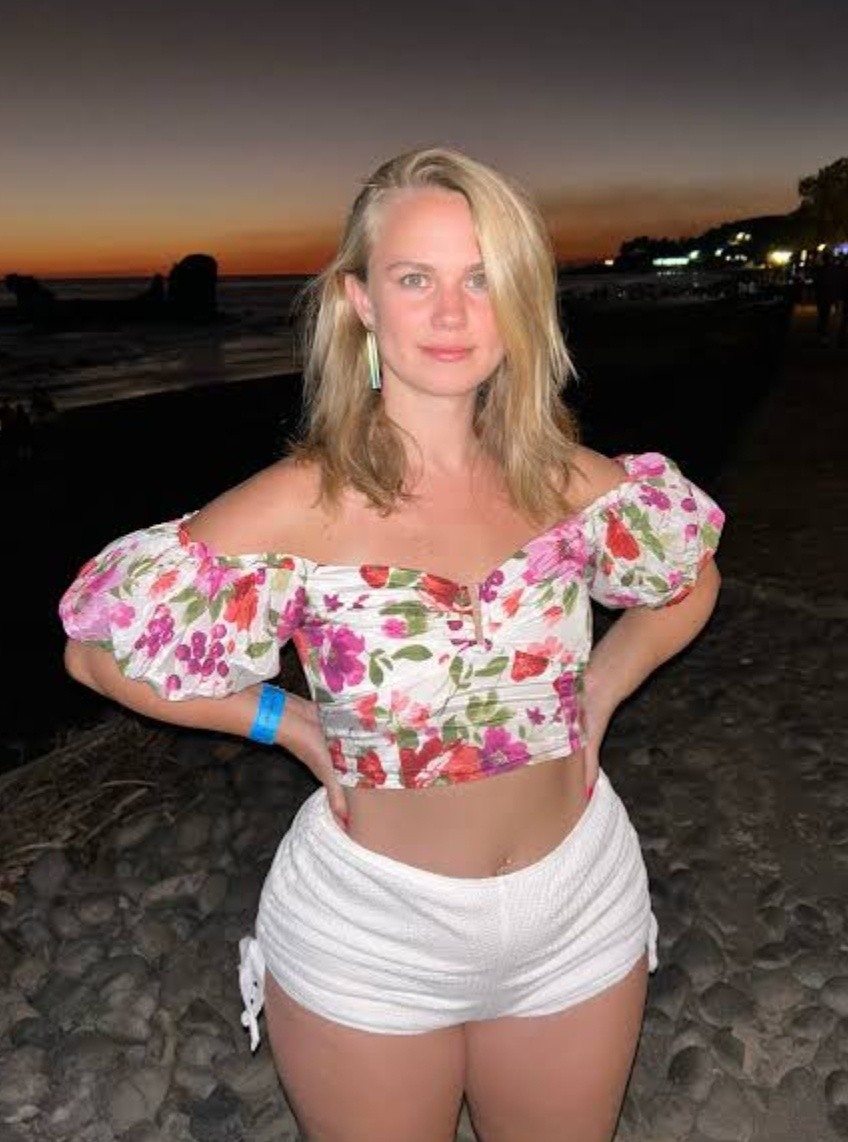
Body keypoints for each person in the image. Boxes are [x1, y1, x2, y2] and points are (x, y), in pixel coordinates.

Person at [59, 147, 723, 1142]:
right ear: (360, 300)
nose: (451, 312)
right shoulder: (300, 504)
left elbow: (688, 577)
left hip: (579, 900)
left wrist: (600, 689)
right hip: (375, 931)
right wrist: (286, 720)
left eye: (481, 278)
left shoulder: (562, 480)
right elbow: (98, 650)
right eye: (415, 278)